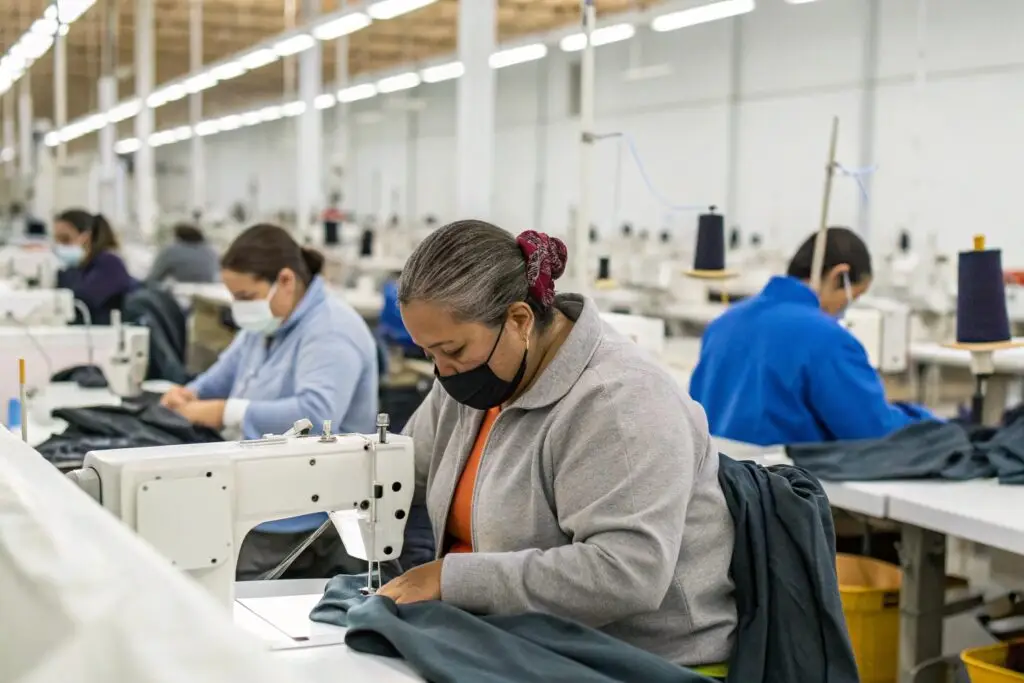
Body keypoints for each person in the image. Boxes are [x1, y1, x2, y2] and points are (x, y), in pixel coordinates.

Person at [376, 220, 737, 673]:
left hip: (638, 662)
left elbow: (627, 573)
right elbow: (399, 472)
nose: (443, 371)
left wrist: (451, 580)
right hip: (515, 642)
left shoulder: (619, 402)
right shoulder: (470, 383)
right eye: (429, 354)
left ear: (519, 320)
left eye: (452, 350)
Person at [159, 223, 380, 580]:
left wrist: (224, 412)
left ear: (286, 281)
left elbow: (317, 415)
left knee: (202, 581)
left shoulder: (330, 331)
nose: (240, 307)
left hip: (301, 515)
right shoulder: (267, 325)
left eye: (247, 297)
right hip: (258, 492)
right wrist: (189, 393)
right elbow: (222, 374)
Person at [690, 226, 936, 446]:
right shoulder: (827, 337)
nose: (846, 307)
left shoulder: (722, 324)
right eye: (854, 296)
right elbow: (873, 431)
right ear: (840, 275)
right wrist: (930, 423)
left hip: (721, 485)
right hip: (781, 490)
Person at [53, 209, 139, 325]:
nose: (59, 246)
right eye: (56, 240)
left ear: (86, 237)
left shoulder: (110, 264)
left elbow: (81, 301)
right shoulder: (84, 268)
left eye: (65, 239)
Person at [146, 223, 219, 284]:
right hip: (208, 293)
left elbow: (154, 278)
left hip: (183, 292)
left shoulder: (172, 251)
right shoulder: (212, 252)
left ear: (178, 236)